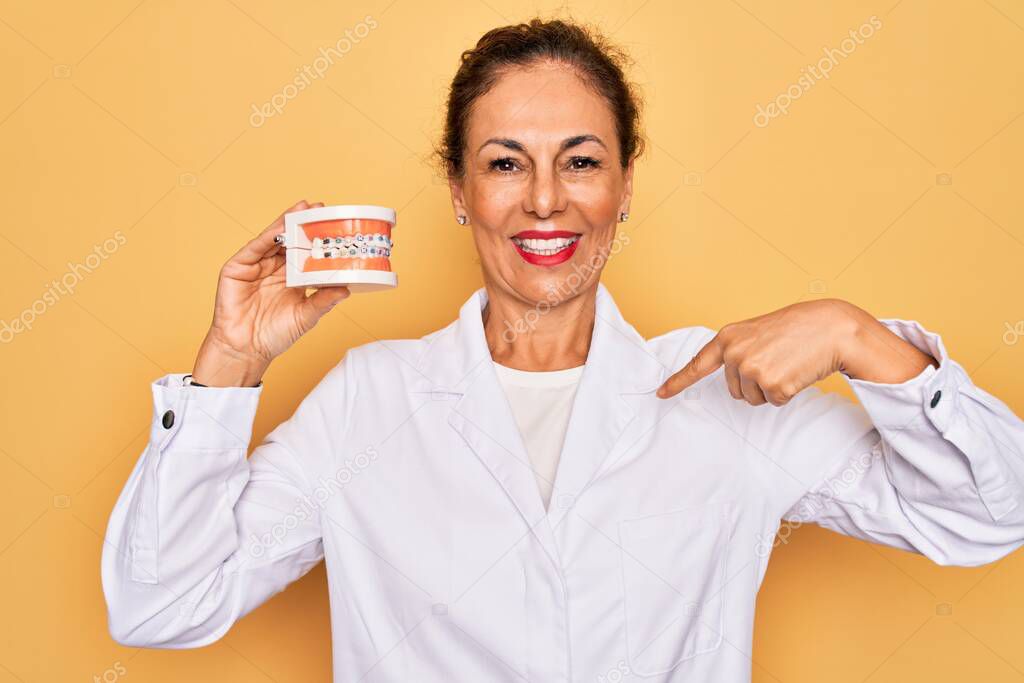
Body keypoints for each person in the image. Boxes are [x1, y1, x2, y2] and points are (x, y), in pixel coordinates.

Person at [101, 18, 1024, 682]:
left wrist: (858, 336)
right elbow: (159, 604)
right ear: (460, 191)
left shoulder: (723, 385)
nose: (545, 200)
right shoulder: (369, 401)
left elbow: (993, 512)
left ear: (625, 187)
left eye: (580, 161)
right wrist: (229, 359)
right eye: (505, 162)